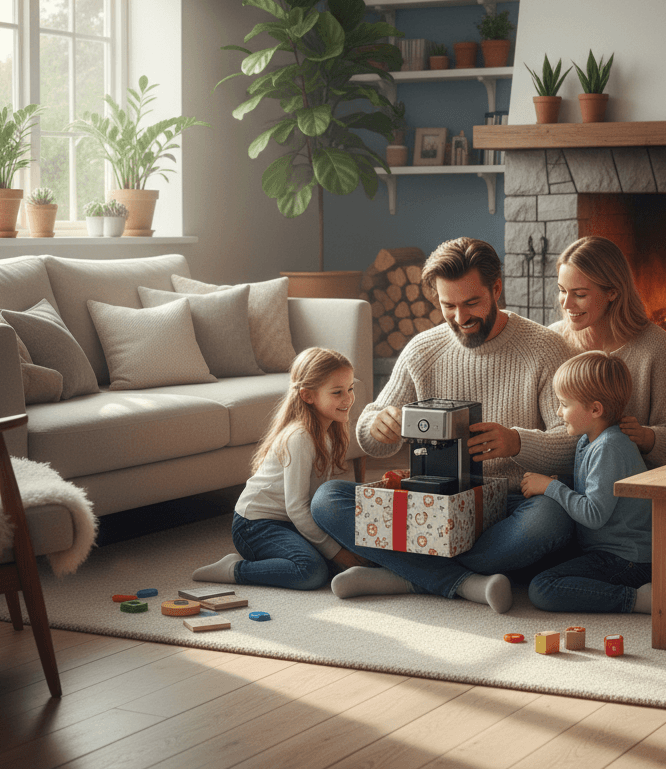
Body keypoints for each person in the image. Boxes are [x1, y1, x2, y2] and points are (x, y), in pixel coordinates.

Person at [309, 236, 577, 612]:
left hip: (514, 505)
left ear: (496, 289)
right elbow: (370, 434)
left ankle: (404, 573)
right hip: (431, 504)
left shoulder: (545, 347)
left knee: (553, 520)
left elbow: (573, 445)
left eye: (471, 303)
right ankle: (461, 581)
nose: (461, 318)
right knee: (326, 499)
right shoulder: (423, 349)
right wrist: (377, 425)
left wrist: (517, 442)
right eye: (447, 305)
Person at [192, 347, 370, 589]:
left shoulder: (329, 432)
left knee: (339, 556)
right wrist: (337, 553)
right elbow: (297, 508)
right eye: (337, 392)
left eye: (350, 388)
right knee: (310, 571)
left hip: (290, 522)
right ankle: (234, 569)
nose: (348, 399)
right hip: (255, 525)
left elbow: (319, 500)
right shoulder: (300, 437)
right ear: (308, 396)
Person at [521, 350, 653, 614]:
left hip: (626, 559)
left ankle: (638, 600)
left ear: (595, 409)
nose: (559, 412)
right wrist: (562, 483)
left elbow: (593, 515)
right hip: (604, 551)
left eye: (564, 404)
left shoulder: (609, 447)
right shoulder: (589, 440)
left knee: (542, 587)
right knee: (530, 566)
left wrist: (551, 487)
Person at [551, 235, 666, 467]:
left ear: (613, 292)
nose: (566, 305)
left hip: (637, 484)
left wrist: (646, 437)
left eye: (579, 294)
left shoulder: (654, 345)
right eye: (562, 290)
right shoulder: (554, 340)